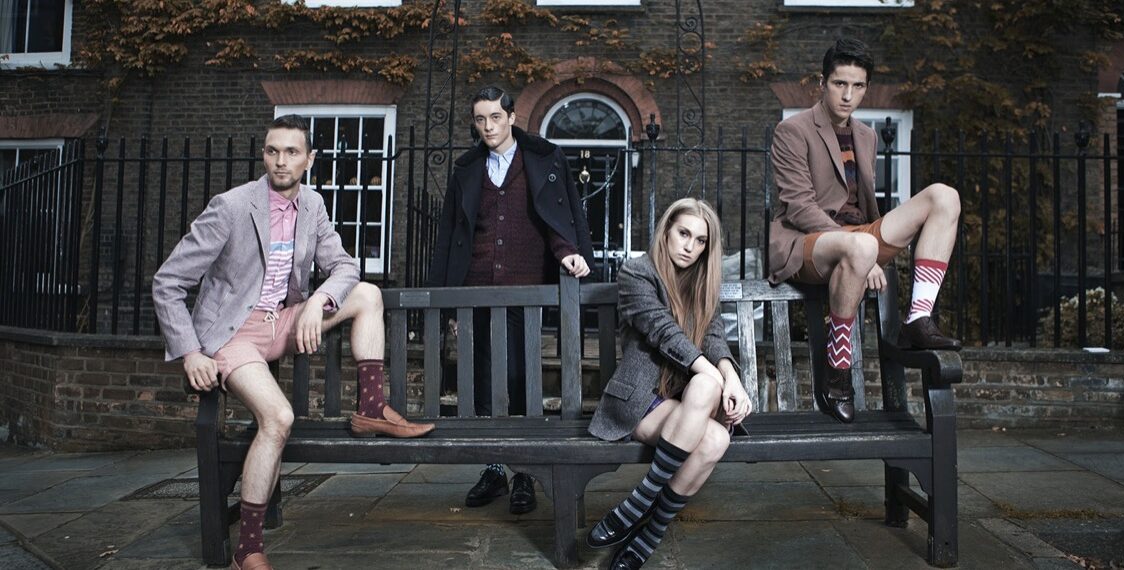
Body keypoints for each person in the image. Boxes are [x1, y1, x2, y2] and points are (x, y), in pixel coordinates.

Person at [153, 115, 434, 570]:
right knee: (279, 418)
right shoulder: (231, 207)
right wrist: (190, 352)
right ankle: (248, 549)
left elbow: (345, 266)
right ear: (264, 154)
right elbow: (168, 282)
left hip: (282, 322)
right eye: (272, 151)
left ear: (309, 159)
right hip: (233, 336)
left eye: (291, 152)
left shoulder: (313, 205)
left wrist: (317, 300)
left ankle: (370, 409)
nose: (280, 161)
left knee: (367, 294)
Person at [768, 37, 962, 424]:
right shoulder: (792, 130)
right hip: (806, 241)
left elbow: (864, 206)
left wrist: (867, 244)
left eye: (857, 86)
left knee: (944, 196)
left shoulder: (867, 135)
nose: (848, 95)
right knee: (860, 248)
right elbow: (799, 206)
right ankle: (838, 370)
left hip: (860, 239)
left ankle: (918, 319)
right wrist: (859, 246)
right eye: (839, 83)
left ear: (866, 87)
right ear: (822, 83)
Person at [427, 86, 595, 515]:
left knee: (523, 380)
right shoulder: (467, 169)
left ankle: (523, 473)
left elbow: (561, 215)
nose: (488, 127)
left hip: (525, 291)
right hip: (477, 289)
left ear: (512, 117)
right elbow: (449, 236)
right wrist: (448, 301)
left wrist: (571, 252)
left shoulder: (544, 159)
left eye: (495, 118)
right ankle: (494, 469)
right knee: (483, 382)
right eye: (480, 119)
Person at [587, 198, 752, 570]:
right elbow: (664, 333)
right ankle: (645, 514)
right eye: (683, 233)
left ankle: (645, 524)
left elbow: (714, 339)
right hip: (641, 402)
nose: (689, 246)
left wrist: (733, 379)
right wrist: (714, 377)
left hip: (688, 402)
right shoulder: (636, 272)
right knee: (710, 402)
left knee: (716, 431)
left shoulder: (702, 282)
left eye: (700, 240)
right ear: (666, 231)